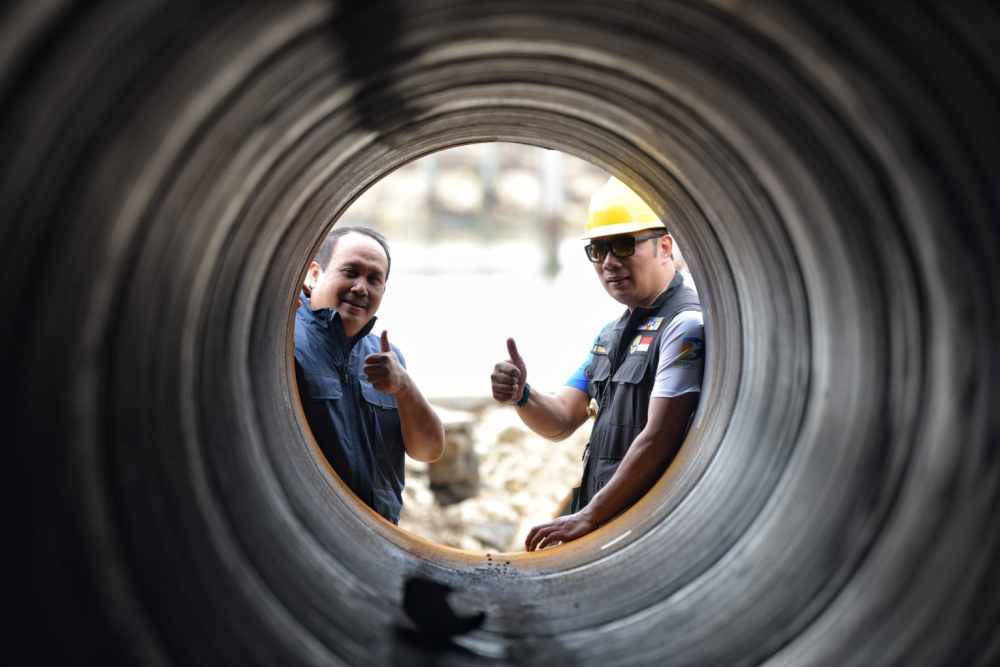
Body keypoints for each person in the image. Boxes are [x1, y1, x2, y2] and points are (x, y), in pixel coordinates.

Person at [491, 177, 704, 551]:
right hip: (611, 524)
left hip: (648, 530)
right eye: (598, 249)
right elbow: (560, 420)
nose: (609, 262)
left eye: (623, 245)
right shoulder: (611, 336)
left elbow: (660, 436)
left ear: (665, 247)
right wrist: (522, 394)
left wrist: (588, 516)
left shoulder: (684, 326)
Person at [295, 226, 444, 524]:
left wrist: (404, 388)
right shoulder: (282, 343)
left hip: (380, 533)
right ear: (314, 275)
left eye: (374, 279)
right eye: (350, 272)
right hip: (311, 531)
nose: (361, 288)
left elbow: (428, 450)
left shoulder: (387, 357)